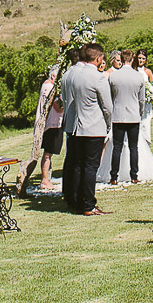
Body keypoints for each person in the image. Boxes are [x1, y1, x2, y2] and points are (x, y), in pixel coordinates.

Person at [60, 43, 113, 215]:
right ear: (98, 59)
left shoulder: (76, 76)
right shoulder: (98, 78)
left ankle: (76, 201)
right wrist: (108, 124)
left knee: (79, 166)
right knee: (91, 167)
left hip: (78, 127)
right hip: (94, 127)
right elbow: (107, 106)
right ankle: (89, 204)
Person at [20, 54, 66, 194]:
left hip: (54, 123)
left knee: (49, 153)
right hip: (50, 124)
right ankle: (45, 179)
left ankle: (47, 178)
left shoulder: (49, 86)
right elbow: (57, 106)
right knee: (48, 153)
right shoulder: (49, 87)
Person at [107, 45, 147, 186]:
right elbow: (142, 99)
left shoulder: (113, 76)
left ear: (122, 59)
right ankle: (134, 175)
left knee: (117, 147)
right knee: (133, 147)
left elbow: (110, 97)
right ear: (132, 59)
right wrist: (140, 112)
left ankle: (114, 176)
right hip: (133, 115)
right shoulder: (138, 77)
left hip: (118, 115)